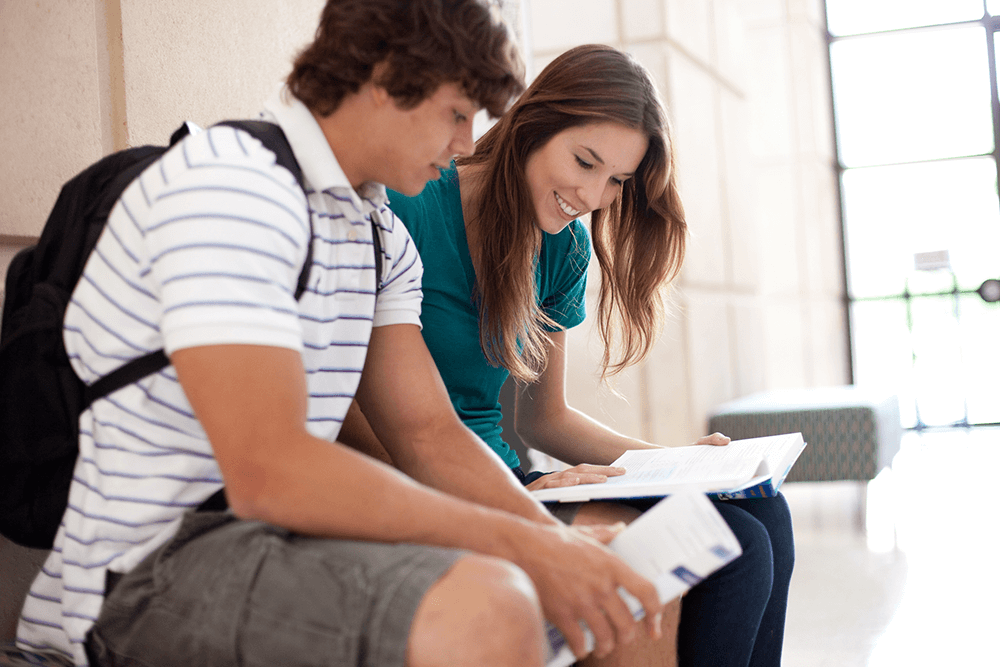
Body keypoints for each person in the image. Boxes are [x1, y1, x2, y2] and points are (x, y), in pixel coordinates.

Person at [15, 6, 669, 667]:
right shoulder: (231, 186)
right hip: (143, 567)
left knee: (626, 588)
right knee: (488, 606)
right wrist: (529, 544)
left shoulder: (379, 236)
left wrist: (555, 542)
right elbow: (270, 470)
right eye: (455, 114)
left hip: (284, 539)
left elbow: (428, 435)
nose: (468, 144)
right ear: (386, 80)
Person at [340, 44, 795, 667]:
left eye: (617, 181)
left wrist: (681, 463)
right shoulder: (410, 208)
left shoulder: (562, 249)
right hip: (435, 485)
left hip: (514, 477)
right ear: (534, 125)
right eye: (585, 161)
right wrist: (513, 498)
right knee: (731, 547)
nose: (593, 194)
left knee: (760, 512)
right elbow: (354, 414)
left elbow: (544, 418)